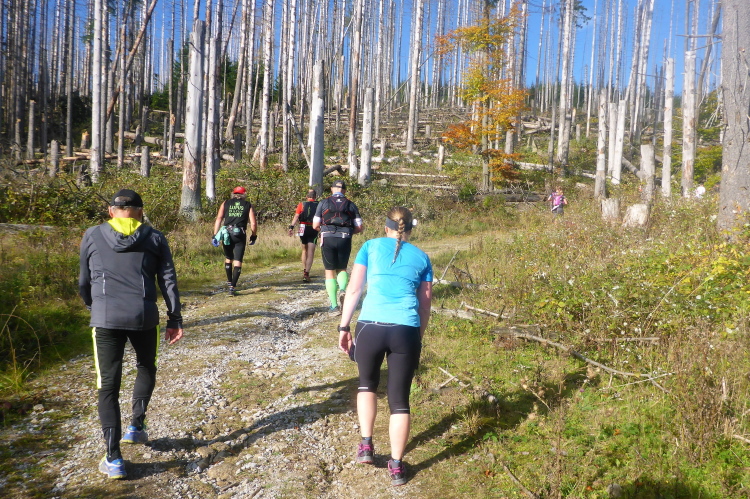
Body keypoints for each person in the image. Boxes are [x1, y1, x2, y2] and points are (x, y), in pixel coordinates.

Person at [79, 189, 184, 480]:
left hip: (105, 317)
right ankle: (136, 426)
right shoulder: (155, 237)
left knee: (108, 385)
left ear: (111, 211)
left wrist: (93, 306)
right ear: (140, 211)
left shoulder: (92, 234)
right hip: (143, 315)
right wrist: (175, 318)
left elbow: (84, 280)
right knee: (146, 366)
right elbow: (168, 279)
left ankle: (114, 458)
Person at [337, 207, 432, 486]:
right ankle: (397, 466)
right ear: (410, 229)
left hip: (371, 327)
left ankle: (366, 446)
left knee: (367, 385)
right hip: (406, 329)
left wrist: (344, 327)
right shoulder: (422, 257)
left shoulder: (370, 246)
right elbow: (425, 305)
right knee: (400, 401)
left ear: (386, 226)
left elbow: (354, 290)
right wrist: (417, 337)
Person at [312, 179, 364, 313]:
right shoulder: (351, 204)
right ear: (344, 191)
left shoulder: (323, 203)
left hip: (327, 238)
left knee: (329, 271)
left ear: (331, 189)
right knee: (342, 268)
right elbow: (359, 227)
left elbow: (315, 225)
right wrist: (349, 232)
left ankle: (334, 306)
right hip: (345, 238)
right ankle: (342, 289)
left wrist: (324, 231)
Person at [213, 186, 257, 296]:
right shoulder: (247, 205)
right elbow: (253, 223)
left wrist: (215, 235)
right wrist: (253, 235)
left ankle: (229, 282)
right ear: (244, 194)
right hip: (240, 234)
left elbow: (219, 219)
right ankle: (232, 288)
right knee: (238, 260)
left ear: (233, 194)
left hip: (226, 233)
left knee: (228, 258)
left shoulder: (226, 203)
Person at [288, 189, 320, 282]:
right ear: (315, 197)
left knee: (304, 250)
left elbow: (296, 216)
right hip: (313, 227)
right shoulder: (319, 205)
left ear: (307, 197)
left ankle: (304, 269)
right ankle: (307, 273)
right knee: (311, 251)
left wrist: (291, 227)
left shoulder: (301, 204)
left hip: (302, 227)